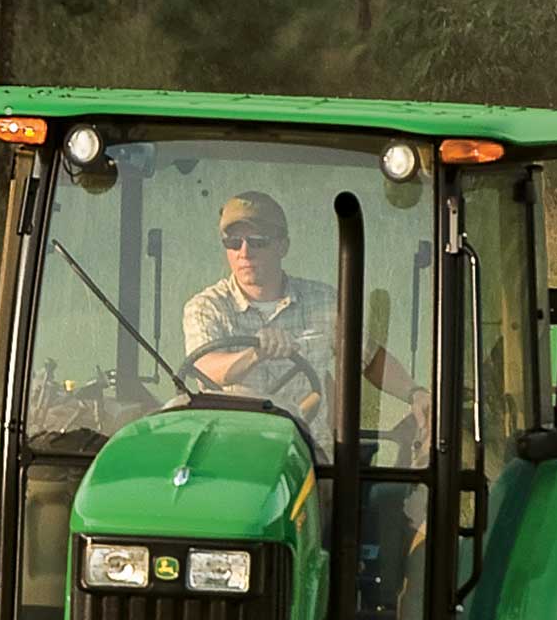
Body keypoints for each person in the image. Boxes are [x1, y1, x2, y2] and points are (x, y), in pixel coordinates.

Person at [182, 191, 430, 460]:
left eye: (257, 241)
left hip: (307, 455)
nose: (244, 252)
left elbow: (368, 358)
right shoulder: (206, 307)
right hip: (230, 454)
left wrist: (414, 393)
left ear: (282, 246)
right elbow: (207, 367)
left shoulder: (322, 301)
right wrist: (255, 354)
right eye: (233, 242)